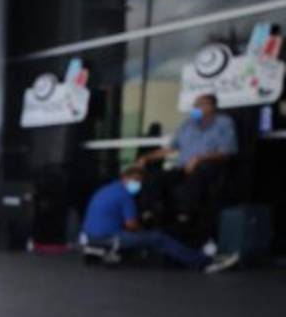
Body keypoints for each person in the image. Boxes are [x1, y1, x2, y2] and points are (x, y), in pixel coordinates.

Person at [81, 164, 238, 273]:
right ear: (125, 178)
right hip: (110, 237)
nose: (137, 185)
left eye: (139, 182)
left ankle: (197, 257)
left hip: (90, 236)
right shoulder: (125, 196)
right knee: (158, 238)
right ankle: (204, 262)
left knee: (149, 237)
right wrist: (144, 230)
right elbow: (131, 225)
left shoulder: (106, 189)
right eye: (135, 181)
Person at [139, 93, 237, 240]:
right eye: (195, 105)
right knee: (156, 178)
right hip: (183, 167)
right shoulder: (188, 124)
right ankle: (149, 214)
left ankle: (185, 217)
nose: (196, 109)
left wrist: (199, 158)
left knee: (196, 178)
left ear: (211, 106)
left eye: (200, 105)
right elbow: (171, 148)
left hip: (207, 168)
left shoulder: (224, 123)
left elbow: (227, 151)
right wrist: (147, 157)